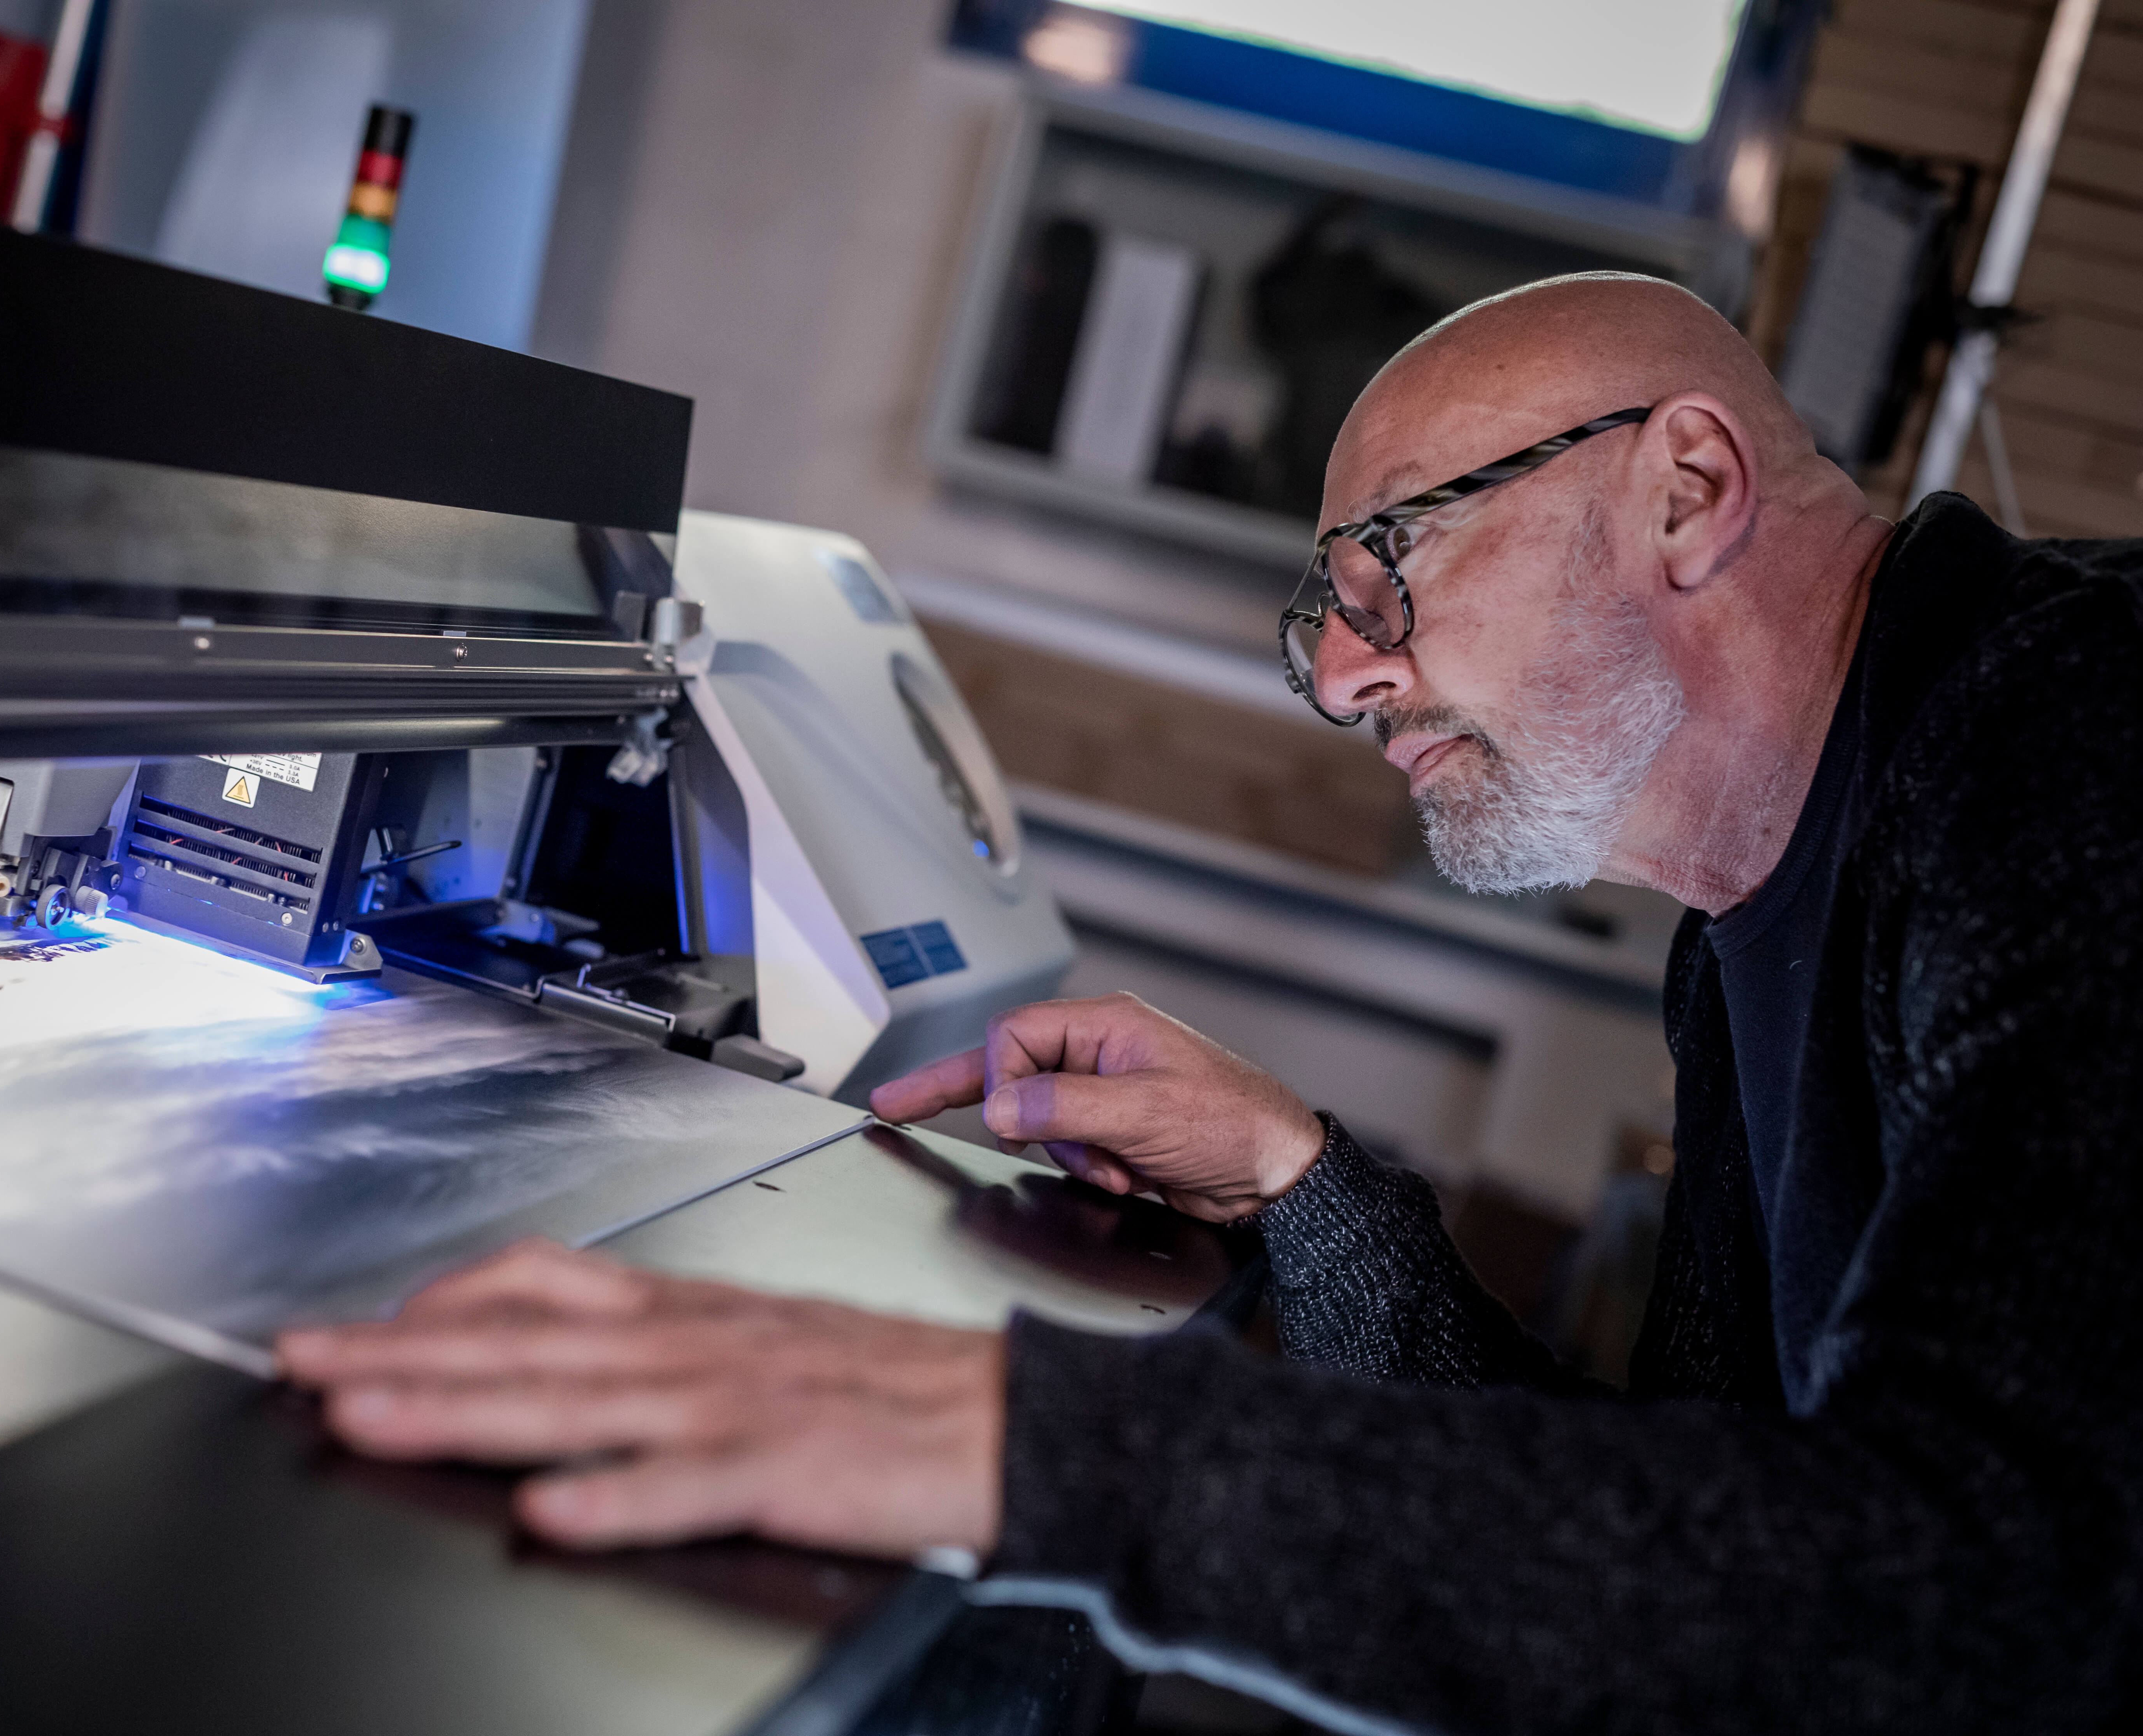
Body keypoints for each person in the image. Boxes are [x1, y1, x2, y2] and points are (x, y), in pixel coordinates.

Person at [276, 274, 2143, 1733]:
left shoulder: (2077, 742)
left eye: (1385, 566)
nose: (1340, 683)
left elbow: (1980, 1602)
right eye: (1318, 612)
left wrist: (1011, 1439)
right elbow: (1688, 1543)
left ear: (1689, 489)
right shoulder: (1739, 934)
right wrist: (1308, 1192)